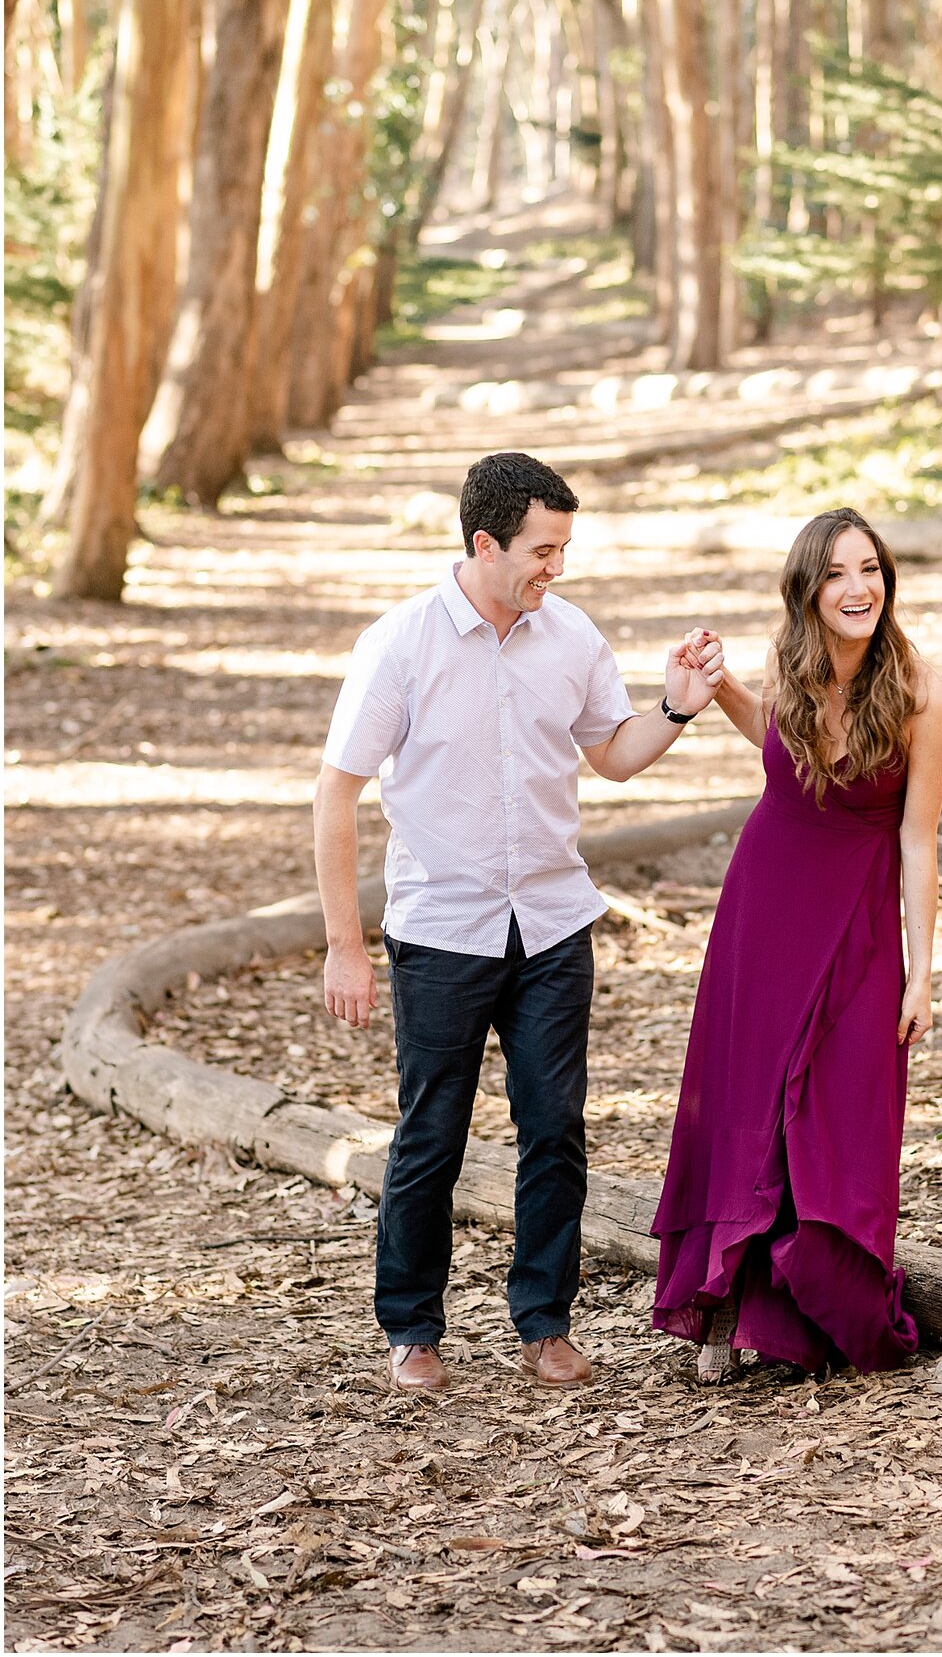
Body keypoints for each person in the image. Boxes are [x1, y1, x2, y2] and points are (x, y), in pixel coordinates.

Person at [317, 450, 724, 1396]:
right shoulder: (400, 644)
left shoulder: (571, 636)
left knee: (555, 1131)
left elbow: (614, 756)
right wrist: (345, 944)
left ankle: (544, 1324)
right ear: (484, 543)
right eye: (544, 550)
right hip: (441, 933)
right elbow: (335, 793)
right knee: (433, 1137)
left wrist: (676, 707)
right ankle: (412, 1331)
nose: (558, 568)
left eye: (565, 548)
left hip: (550, 926)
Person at [649, 507, 942, 1383]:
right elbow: (784, 747)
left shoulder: (924, 694)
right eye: (835, 574)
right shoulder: (797, 666)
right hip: (765, 905)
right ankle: (721, 1302)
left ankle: (821, 1311)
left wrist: (921, 974)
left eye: (870, 569)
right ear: (807, 590)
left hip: (856, 918)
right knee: (747, 1100)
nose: (857, 587)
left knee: (837, 1108)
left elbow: (918, 840)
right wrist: (723, 689)